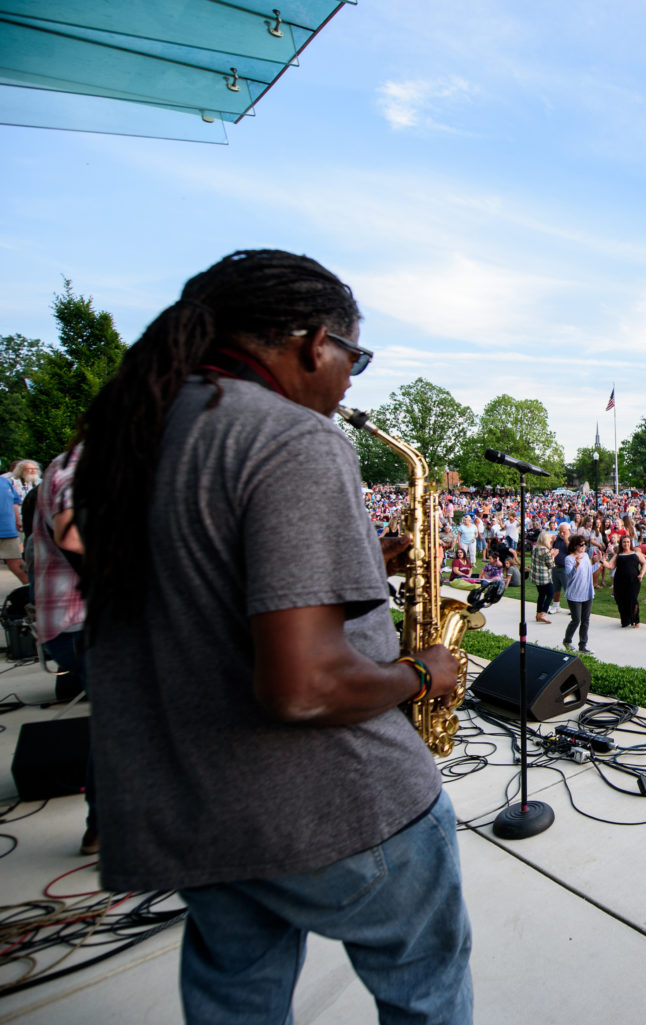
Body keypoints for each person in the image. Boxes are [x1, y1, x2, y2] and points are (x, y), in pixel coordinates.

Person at [74, 250, 472, 1022]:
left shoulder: (134, 435)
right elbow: (305, 684)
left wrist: (364, 559)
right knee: (425, 985)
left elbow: (200, 585)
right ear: (311, 342)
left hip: (197, 805)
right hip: (331, 802)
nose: (351, 380)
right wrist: (423, 673)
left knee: (238, 1001)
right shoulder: (294, 437)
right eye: (353, 357)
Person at [31, 446, 95, 852]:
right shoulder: (82, 462)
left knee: (121, 724)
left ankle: (105, 827)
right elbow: (72, 534)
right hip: (82, 620)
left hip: (78, 621)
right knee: (130, 725)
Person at [562, 535, 596, 653]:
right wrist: (576, 565)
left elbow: (590, 570)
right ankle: (567, 641)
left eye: (585, 544)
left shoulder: (586, 556)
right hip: (574, 594)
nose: (584, 546)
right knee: (576, 620)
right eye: (581, 544)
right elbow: (569, 575)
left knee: (585, 620)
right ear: (575, 545)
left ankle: (583, 645)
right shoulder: (569, 559)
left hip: (587, 592)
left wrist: (601, 562)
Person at [606, 533, 646, 628]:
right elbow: (610, 566)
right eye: (624, 542)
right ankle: (625, 620)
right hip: (620, 581)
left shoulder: (636, 553)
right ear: (621, 544)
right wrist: (603, 561)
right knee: (621, 600)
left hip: (633, 581)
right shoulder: (618, 555)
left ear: (630, 543)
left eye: (628, 542)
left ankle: (636, 620)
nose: (626, 544)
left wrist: (641, 574)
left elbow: (644, 563)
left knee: (632, 600)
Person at [530, 531, 556, 623]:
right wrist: (553, 555)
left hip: (536, 576)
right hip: (544, 577)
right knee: (550, 594)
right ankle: (543, 614)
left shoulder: (535, 548)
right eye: (550, 539)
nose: (551, 541)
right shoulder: (545, 550)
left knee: (541, 595)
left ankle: (538, 613)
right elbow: (551, 564)